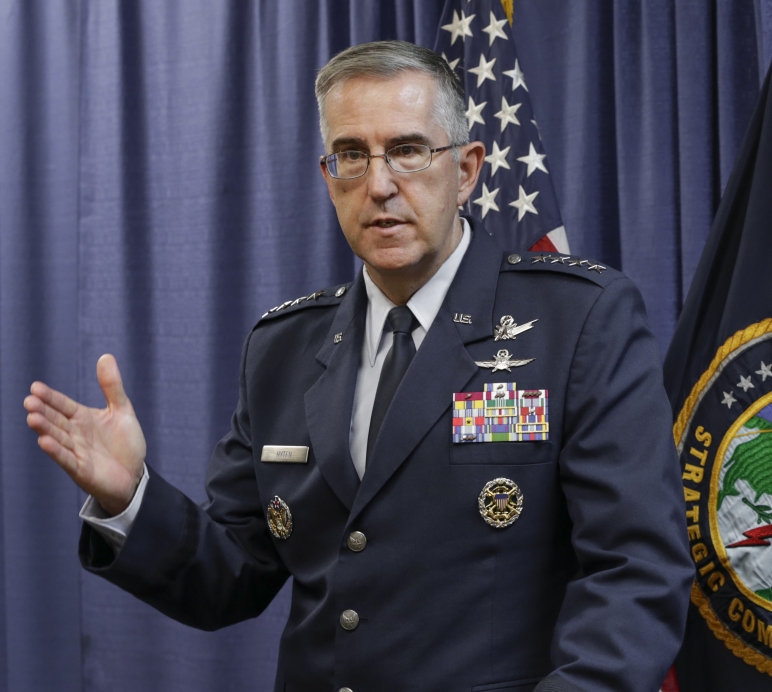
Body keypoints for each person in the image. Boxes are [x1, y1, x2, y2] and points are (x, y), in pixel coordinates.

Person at [24, 40, 692, 692]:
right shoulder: (283, 347)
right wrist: (130, 498)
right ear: (328, 176)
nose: (379, 185)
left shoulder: (579, 320)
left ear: (466, 171)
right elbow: (233, 575)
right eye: (351, 155)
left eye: (407, 150)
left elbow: (635, 574)